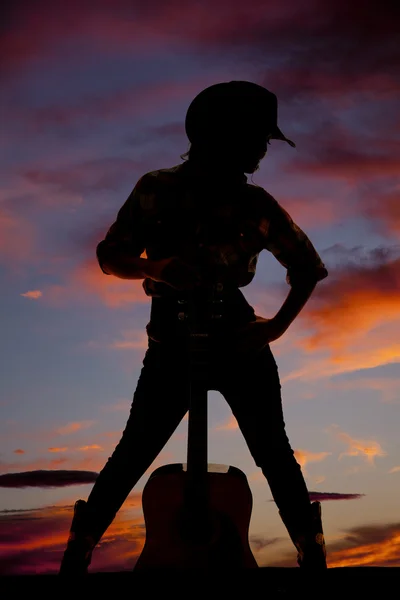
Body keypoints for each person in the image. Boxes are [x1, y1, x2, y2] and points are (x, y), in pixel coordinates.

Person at [59, 81, 328, 574]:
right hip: (170, 340)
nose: (263, 151)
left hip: (238, 338)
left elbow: (308, 268)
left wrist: (276, 328)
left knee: (273, 451)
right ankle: (77, 554)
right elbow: (110, 256)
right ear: (222, 136)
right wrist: (154, 269)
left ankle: (312, 554)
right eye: (257, 139)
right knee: (135, 449)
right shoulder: (155, 189)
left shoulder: (258, 203)